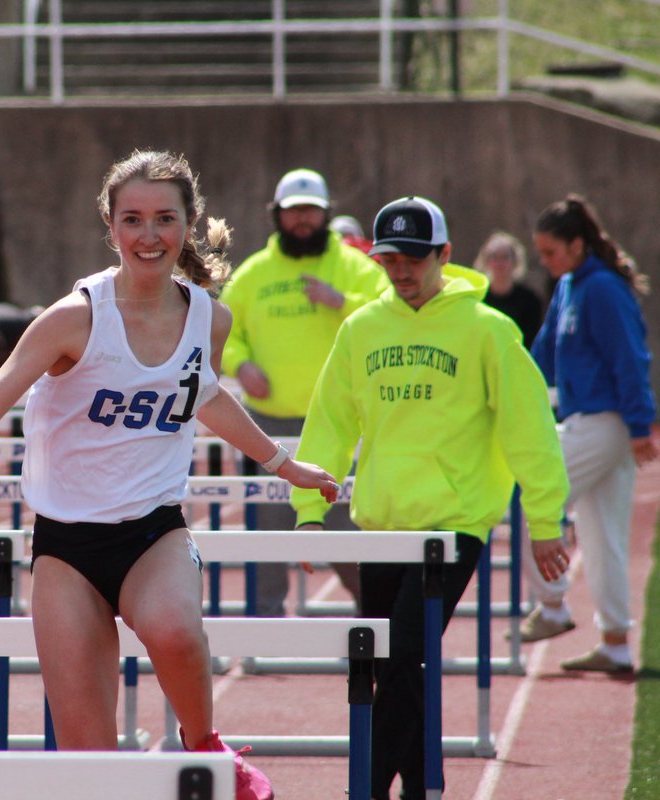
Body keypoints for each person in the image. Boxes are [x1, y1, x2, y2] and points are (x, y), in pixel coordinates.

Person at [0, 150, 341, 800]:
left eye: (164, 219)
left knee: (177, 633)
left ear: (187, 224)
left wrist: (285, 464)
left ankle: (205, 747)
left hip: (153, 532)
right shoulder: (75, 318)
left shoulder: (210, 317)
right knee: (91, 762)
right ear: (111, 225)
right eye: (133, 220)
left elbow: (204, 393)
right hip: (67, 546)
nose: (149, 235)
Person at [290, 196, 570, 800]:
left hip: (453, 527)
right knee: (385, 669)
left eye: (415, 258)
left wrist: (545, 520)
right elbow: (330, 427)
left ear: (444, 254)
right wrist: (310, 513)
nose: (401, 271)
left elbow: (530, 430)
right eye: (389, 258)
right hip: (383, 526)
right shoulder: (361, 328)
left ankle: (363, 787)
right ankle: (418, 786)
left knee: (403, 661)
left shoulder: (489, 330)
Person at [220, 168, 388, 615]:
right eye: (293, 212)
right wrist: (241, 364)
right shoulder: (253, 273)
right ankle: (264, 631)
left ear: (327, 213)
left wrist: (341, 302)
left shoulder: (356, 268)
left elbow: (391, 318)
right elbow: (224, 332)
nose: (302, 221)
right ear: (276, 215)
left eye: (311, 211)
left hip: (339, 427)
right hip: (267, 425)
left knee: (345, 535)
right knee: (269, 535)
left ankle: (374, 623)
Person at [514, 195, 658, 673]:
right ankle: (616, 641)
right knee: (601, 537)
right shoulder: (570, 285)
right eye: (542, 255)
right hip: (593, 420)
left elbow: (630, 358)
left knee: (535, 495)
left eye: (552, 253)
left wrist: (641, 426)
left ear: (577, 245)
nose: (547, 263)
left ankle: (552, 606)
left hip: (604, 420)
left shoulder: (602, 289)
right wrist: (515, 388)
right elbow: (542, 353)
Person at [473, 230, 544, 347]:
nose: (500, 263)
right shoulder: (478, 299)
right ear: (486, 261)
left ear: (515, 261)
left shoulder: (530, 301)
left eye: (505, 257)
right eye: (494, 257)